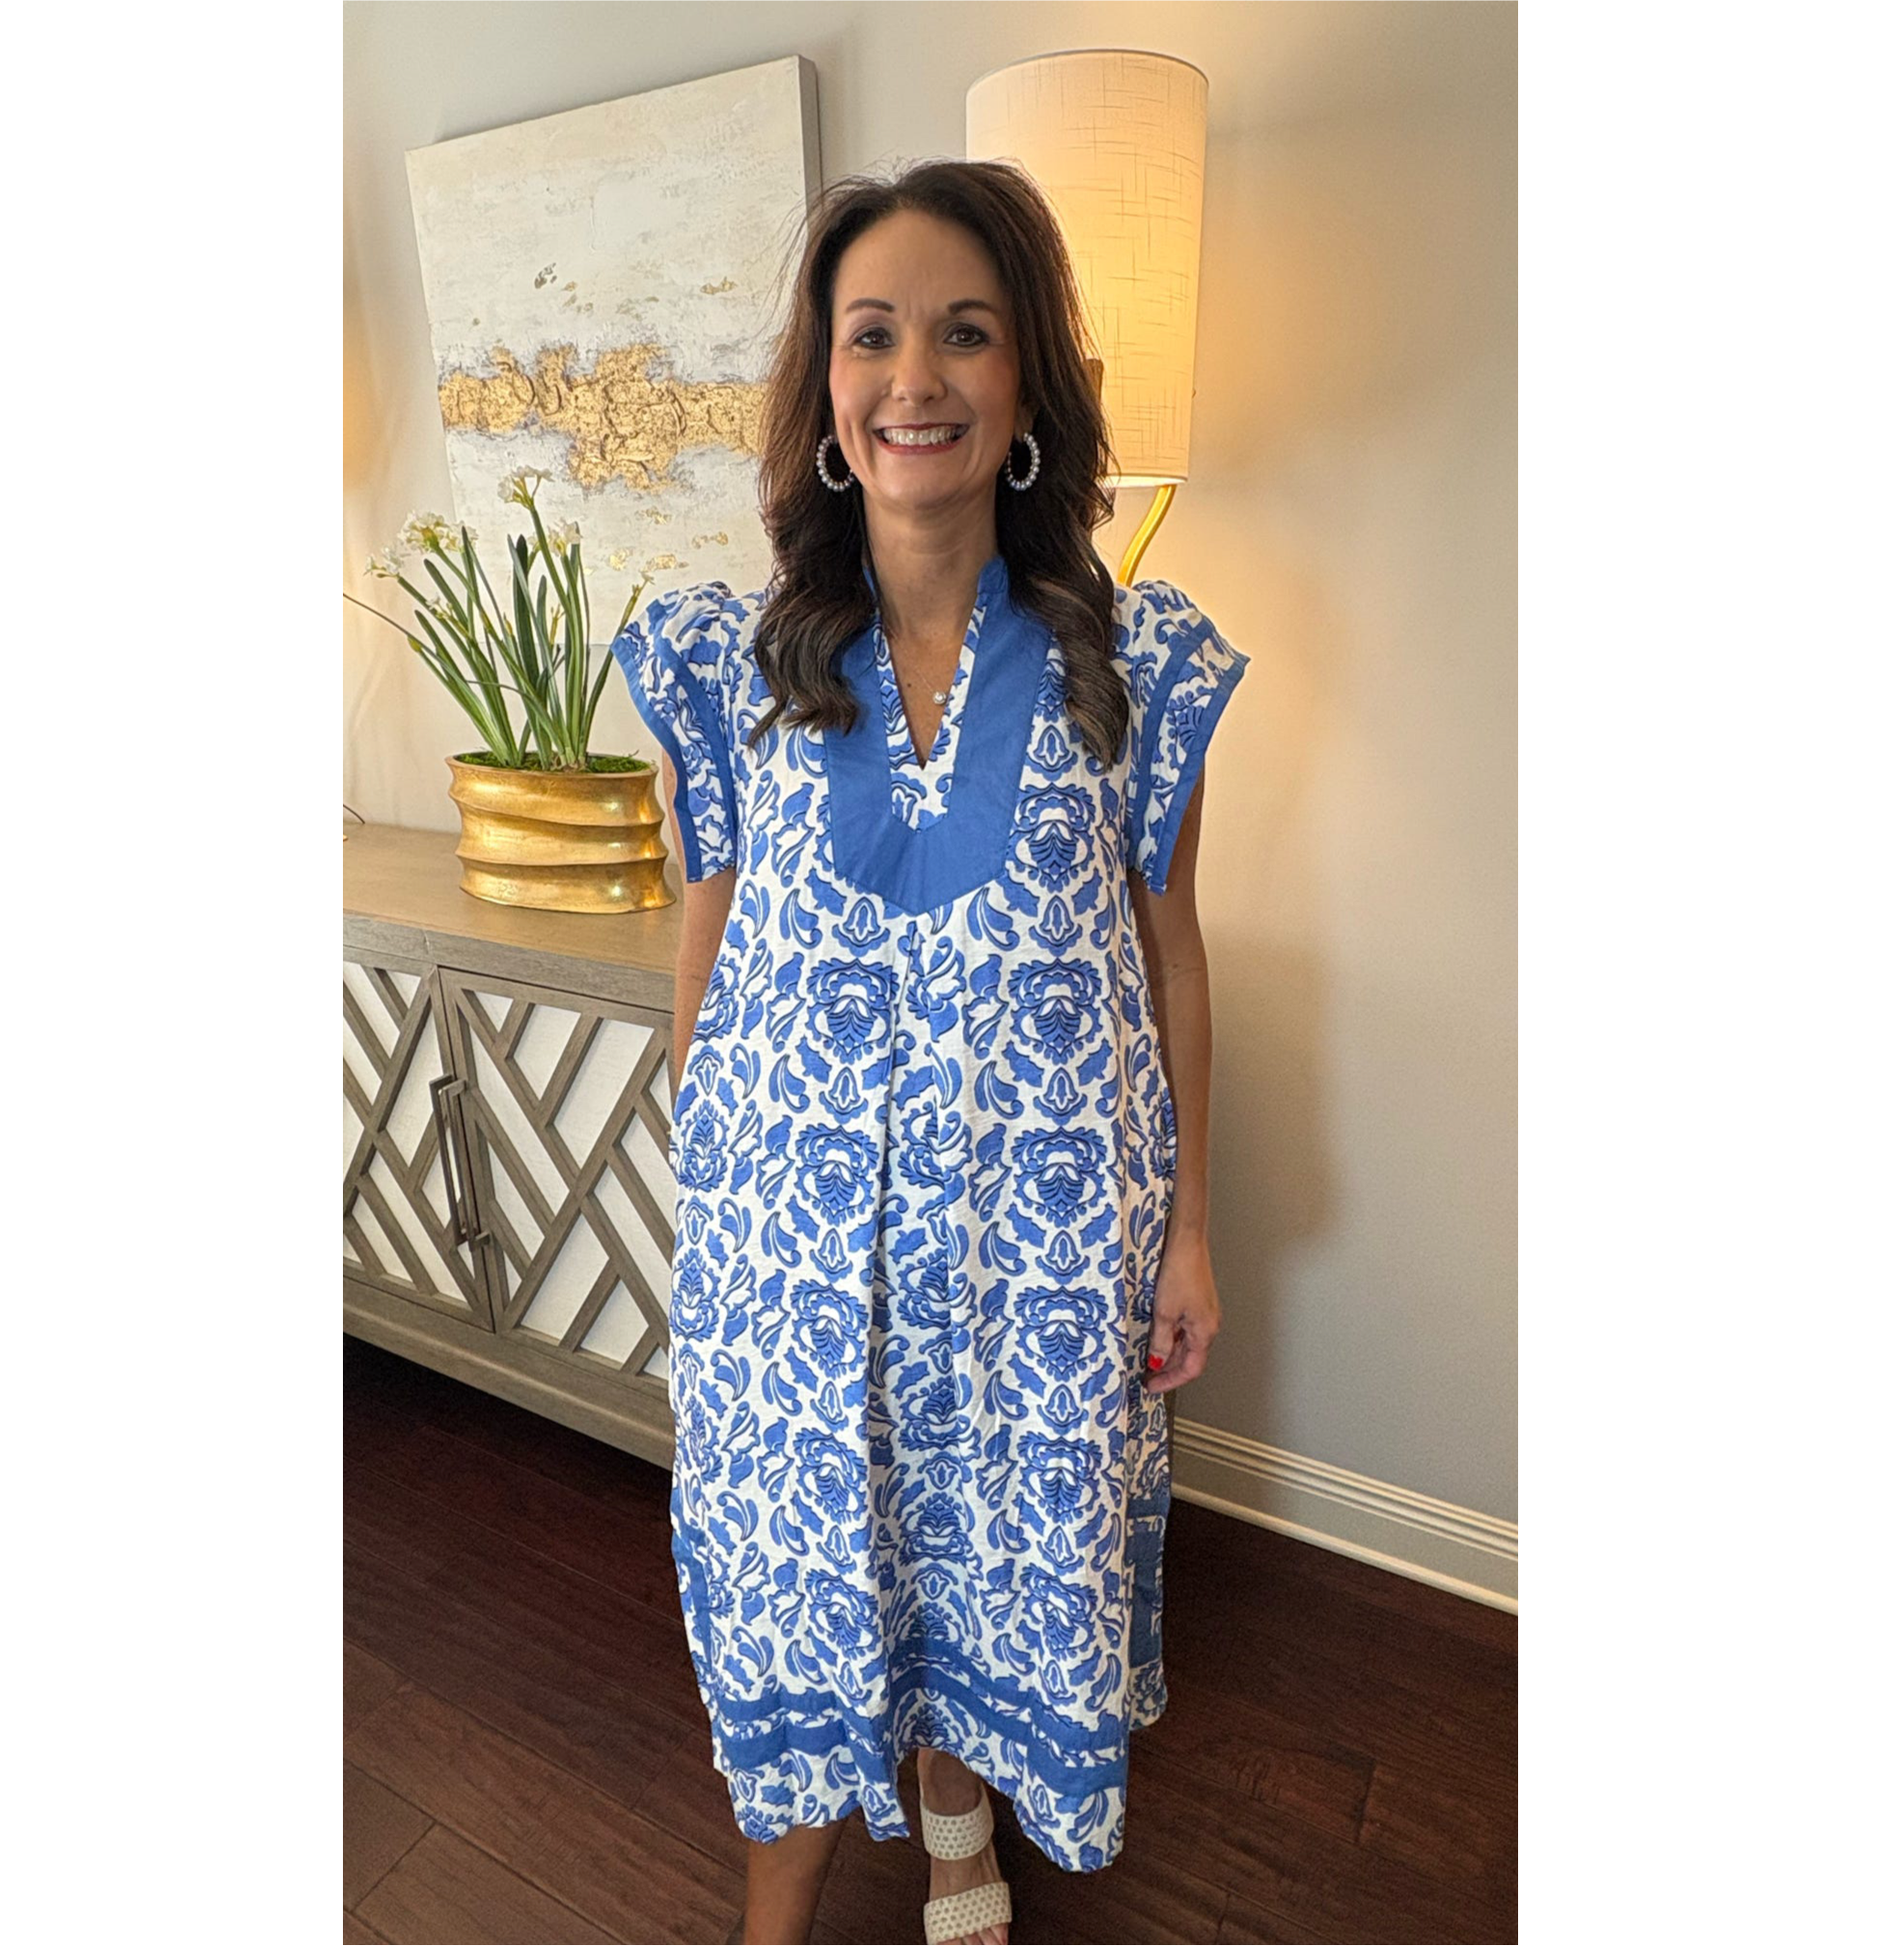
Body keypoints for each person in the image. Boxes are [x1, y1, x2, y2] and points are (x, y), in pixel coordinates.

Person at [614, 160, 1247, 1946]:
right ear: (824, 390)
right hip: (798, 1266)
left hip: (1039, 1265)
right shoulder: (723, 663)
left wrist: (1189, 1226)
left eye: (966, 333)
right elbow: (708, 934)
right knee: (812, 1585)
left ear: (1028, 382)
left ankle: (960, 1813)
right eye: (872, 333)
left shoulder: (1137, 668)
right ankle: (779, 1914)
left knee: (986, 1563)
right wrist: (720, 1192)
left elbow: (1169, 959)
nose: (918, 376)